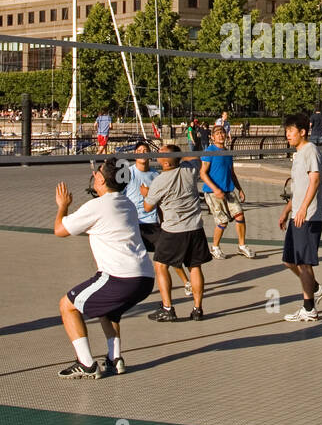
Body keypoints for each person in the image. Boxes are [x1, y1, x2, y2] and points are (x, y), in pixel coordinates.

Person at [52, 161, 156, 378]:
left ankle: (86, 363)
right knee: (108, 310)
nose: (94, 174)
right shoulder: (126, 203)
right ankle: (115, 358)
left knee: (67, 306)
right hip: (145, 278)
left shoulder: (98, 205)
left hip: (120, 277)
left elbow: (60, 230)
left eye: (97, 172)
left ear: (101, 179)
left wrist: (63, 205)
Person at [142, 144, 212, 321]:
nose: (157, 154)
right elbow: (195, 158)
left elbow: (148, 206)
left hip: (173, 230)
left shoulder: (159, 181)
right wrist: (181, 156)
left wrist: (146, 193)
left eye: (161, 153)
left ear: (165, 162)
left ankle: (167, 308)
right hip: (195, 227)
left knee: (160, 265)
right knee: (195, 266)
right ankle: (197, 309)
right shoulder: (189, 171)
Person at [279, 114, 322, 321]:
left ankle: (309, 309)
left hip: (308, 217)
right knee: (289, 261)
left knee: (304, 263)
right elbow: (299, 187)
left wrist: (302, 210)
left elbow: (314, 182)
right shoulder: (298, 154)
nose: (287, 134)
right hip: (298, 214)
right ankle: (315, 288)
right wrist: (288, 209)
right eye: (287, 130)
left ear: (302, 132)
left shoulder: (311, 151)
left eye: (291, 131)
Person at [125, 141, 190, 291]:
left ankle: (187, 282)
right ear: (135, 154)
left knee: (168, 256)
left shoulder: (156, 174)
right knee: (128, 258)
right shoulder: (128, 173)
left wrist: (163, 221)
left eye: (146, 150)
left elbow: (161, 202)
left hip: (152, 223)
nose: (143, 152)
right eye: (139, 150)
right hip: (133, 224)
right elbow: (119, 197)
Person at [199, 125, 254, 259]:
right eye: (217, 133)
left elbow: (232, 173)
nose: (221, 135)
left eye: (222, 133)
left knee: (240, 216)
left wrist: (239, 188)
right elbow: (203, 173)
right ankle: (215, 247)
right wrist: (215, 189)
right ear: (212, 137)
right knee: (222, 221)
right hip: (213, 192)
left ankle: (241, 246)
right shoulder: (209, 151)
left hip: (229, 190)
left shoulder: (227, 153)